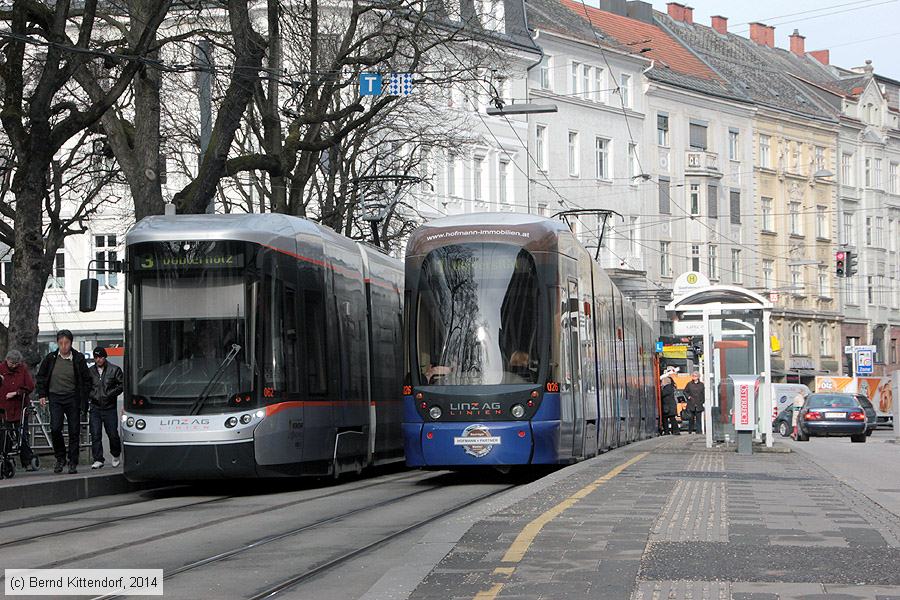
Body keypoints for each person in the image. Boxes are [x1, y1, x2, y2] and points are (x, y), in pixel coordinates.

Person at [36, 330, 92, 474]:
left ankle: (73, 461)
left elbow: (87, 380)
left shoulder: (78, 358)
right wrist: (42, 394)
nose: (64, 346)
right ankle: (60, 458)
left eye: (66, 343)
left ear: (71, 343)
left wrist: (83, 397)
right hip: (55, 397)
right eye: (61, 343)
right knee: (55, 428)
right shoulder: (51, 358)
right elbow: (41, 377)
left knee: (74, 430)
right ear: (57, 344)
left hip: (72, 397)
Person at [0, 349, 36, 470]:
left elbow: (30, 386)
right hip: (4, 408)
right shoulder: (1, 369)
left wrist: (17, 393)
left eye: (16, 363)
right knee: (5, 435)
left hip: (19, 407)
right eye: (12, 363)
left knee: (22, 435)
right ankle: (6, 460)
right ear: (7, 360)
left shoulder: (22, 369)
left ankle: (27, 460)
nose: (14, 366)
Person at [88, 347, 124, 469]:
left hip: (109, 407)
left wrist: (110, 394)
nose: (98, 359)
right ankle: (98, 459)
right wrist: (91, 395)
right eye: (96, 357)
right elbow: (86, 386)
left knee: (112, 433)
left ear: (105, 357)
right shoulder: (90, 371)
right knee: (95, 433)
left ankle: (115, 454)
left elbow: (121, 385)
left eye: (101, 357)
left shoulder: (114, 370)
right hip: (95, 406)